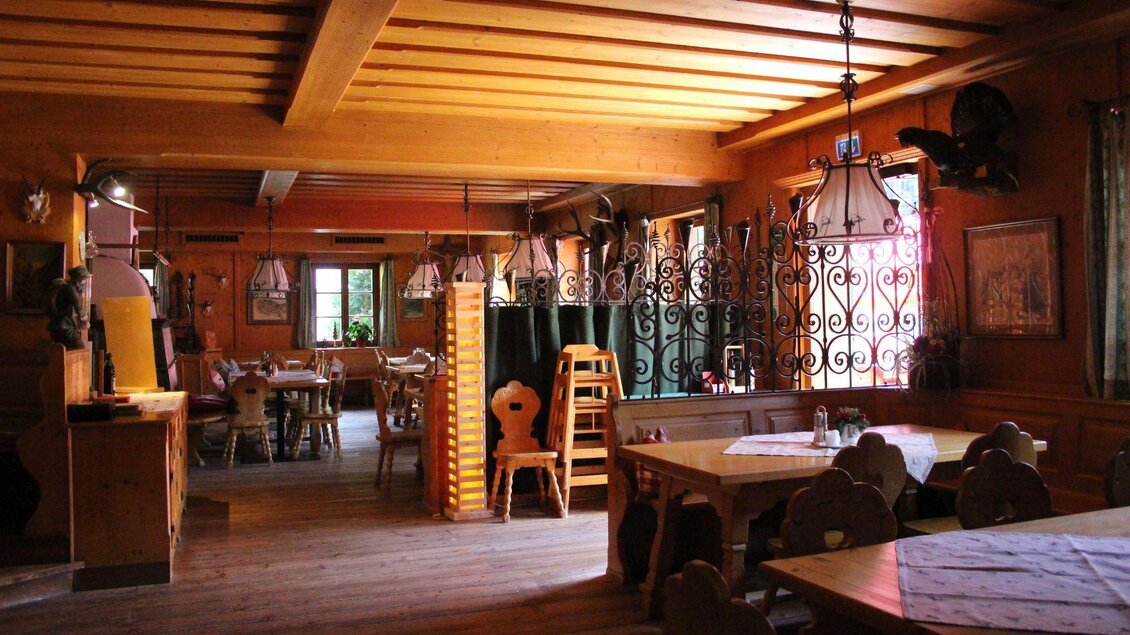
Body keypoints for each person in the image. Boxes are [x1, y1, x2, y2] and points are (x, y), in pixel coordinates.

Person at [45, 265, 91, 349]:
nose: (84, 282)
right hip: (64, 327)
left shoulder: (65, 287)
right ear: (79, 280)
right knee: (79, 348)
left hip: (57, 326)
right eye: (84, 279)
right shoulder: (70, 289)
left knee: (66, 351)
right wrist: (86, 321)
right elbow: (78, 308)